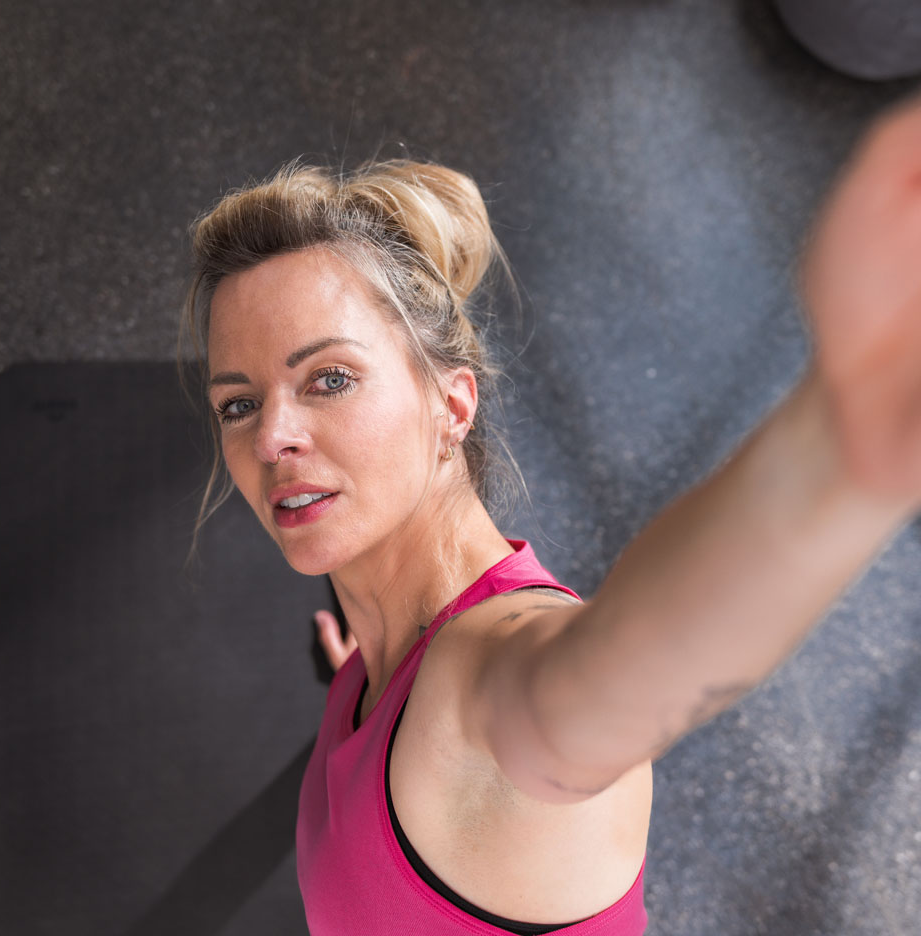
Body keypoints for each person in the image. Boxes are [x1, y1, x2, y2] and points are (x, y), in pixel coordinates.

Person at [181, 93, 921, 934]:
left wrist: (841, 450)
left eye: (331, 379)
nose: (271, 435)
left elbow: (605, 685)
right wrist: (371, 656)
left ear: (451, 407)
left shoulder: (487, 688)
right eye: (238, 404)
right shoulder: (396, 649)